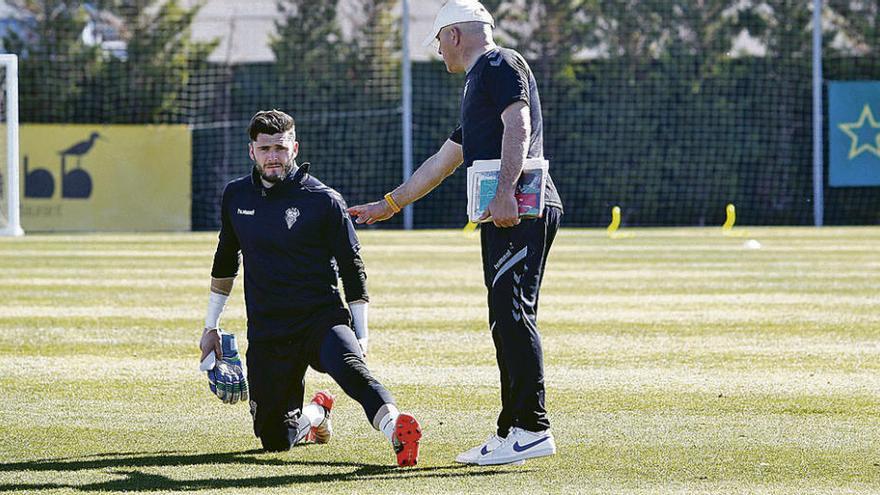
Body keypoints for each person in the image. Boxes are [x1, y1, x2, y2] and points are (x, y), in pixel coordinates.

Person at [347, 0, 563, 467]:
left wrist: (505, 190)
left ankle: (532, 427)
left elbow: (518, 122)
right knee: (503, 318)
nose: (439, 51)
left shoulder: (497, 62)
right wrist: (389, 205)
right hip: (506, 213)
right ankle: (513, 428)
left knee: (512, 314)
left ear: (455, 36)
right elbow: (442, 163)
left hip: (519, 209)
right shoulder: (477, 83)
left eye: (440, 41)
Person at [199, 109, 421, 467]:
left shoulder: (324, 200)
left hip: (321, 319)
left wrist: (361, 333)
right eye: (266, 148)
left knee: (352, 369)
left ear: (295, 148)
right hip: (269, 330)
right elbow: (226, 260)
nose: (274, 156)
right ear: (251, 151)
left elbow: (353, 269)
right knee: (274, 441)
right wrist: (210, 326)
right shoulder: (235, 196)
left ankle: (397, 429)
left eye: (281, 148)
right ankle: (317, 414)